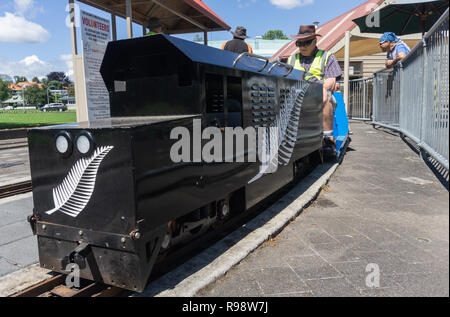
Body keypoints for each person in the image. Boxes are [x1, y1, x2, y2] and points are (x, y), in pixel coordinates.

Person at [288, 25, 343, 151]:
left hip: (321, 93)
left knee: (324, 96)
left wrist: (319, 90)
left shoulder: (327, 56)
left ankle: (328, 138)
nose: (302, 47)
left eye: (306, 43)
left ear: (315, 41)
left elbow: (331, 81)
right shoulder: (291, 59)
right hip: (297, 93)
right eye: (299, 43)